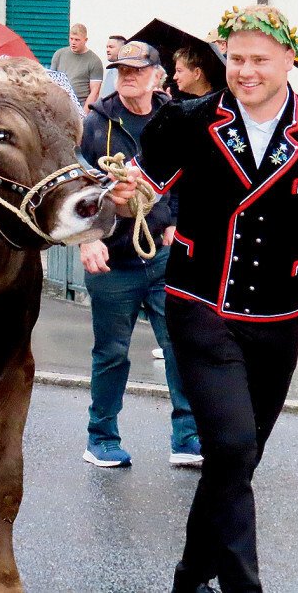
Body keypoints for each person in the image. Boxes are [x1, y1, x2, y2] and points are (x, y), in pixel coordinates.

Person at [108, 5, 298, 593]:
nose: (246, 71)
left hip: (280, 321)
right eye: (235, 59)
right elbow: (139, 193)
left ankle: (189, 577)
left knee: (237, 460)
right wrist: (126, 196)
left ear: (290, 59)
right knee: (229, 446)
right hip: (199, 306)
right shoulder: (185, 120)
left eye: (259, 60)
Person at [78, 40, 201, 469]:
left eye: (136, 70)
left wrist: (175, 220)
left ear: (156, 76)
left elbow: (187, 176)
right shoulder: (95, 124)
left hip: (163, 258)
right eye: (121, 70)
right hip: (112, 259)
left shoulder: (174, 117)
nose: (127, 77)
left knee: (180, 346)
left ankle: (187, 437)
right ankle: (101, 438)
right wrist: (87, 239)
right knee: (111, 353)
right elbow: (76, 188)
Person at [50, 23, 104, 112]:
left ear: (85, 40)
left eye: (77, 40)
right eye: (71, 39)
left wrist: (84, 114)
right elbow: (51, 82)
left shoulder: (94, 61)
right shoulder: (59, 54)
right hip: (59, 105)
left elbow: (95, 92)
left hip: (80, 105)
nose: (73, 42)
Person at [98, 34, 127, 98]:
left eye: (111, 47)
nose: (107, 50)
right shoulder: (111, 71)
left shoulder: (127, 72)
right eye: (107, 47)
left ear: (122, 49)